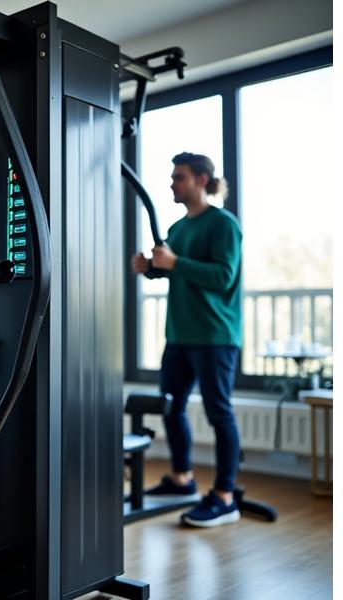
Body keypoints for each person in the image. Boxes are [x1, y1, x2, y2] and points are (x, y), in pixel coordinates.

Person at [131, 151, 242, 528]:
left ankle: (225, 497)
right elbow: (172, 272)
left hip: (215, 336)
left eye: (179, 176)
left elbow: (223, 277)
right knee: (172, 408)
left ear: (201, 180)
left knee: (219, 412)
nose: (172, 183)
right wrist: (149, 269)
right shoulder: (178, 229)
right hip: (179, 335)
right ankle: (182, 480)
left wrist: (174, 263)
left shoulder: (223, 224)